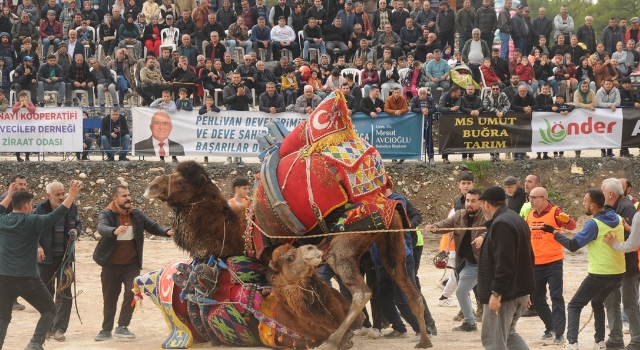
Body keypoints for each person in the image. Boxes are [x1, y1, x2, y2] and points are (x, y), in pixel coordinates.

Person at [0, 179, 83, 350]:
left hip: (3, 278)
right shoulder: (32, 221)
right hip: (27, 278)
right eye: (30, 205)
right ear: (26, 206)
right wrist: (71, 196)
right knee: (49, 309)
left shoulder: (2, 220)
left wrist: (8, 195)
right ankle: (35, 343)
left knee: (3, 317)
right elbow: (55, 216)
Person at [94, 185, 174, 342]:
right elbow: (101, 227)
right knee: (110, 298)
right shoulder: (107, 213)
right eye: (124, 196)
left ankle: (123, 326)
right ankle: (106, 330)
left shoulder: (136, 214)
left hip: (131, 264)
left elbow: (153, 226)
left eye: (129, 195)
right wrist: (113, 231)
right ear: (115, 199)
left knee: (133, 293)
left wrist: (167, 231)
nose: (128, 198)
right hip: (110, 264)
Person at [550, 190, 625, 350]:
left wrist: (554, 233)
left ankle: (572, 343)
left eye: (585, 201)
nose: (583, 203)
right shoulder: (618, 218)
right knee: (597, 302)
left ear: (593, 205)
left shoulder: (594, 224)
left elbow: (573, 245)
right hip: (618, 272)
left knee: (574, 306)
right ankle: (599, 342)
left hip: (600, 273)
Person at [476, 186, 535, 350]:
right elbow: (529, 256)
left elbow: (504, 262)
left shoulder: (501, 223)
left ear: (486, 204)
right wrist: (527, 289)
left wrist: (496, 292)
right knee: (509, 336)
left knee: (494, 341)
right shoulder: (515, 219)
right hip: (518, 290)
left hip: (505, 295)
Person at [427, 188, 486, 332]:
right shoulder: (459, 215)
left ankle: (471, 322)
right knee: (462, 290)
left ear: (481, 202)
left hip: (481, 263)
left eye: (473, 201)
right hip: (463, 261)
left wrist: (483, 236)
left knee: (462, 290)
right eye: (467, 200)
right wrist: (435, 227)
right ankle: (470, 321)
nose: (469, 204)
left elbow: (493, 229)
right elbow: (446, 224)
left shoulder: (486, 216)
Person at [525, 186, 576, 345]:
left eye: (534, 198)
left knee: (556, 296)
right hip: (535, 264)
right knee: (537, 299)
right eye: (530, 198)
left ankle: (559, 333)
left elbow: (571, 226)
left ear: (543, 199)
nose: (531, 201)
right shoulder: (530, 215)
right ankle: (550, 326)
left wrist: (566, 219)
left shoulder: (555, 211)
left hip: (554, 262)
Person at [33, 182, 82, 343]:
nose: (62, 197)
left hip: (65, 258)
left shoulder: (71, 207)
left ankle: (59, 329)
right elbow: (32, 231)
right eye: (58, 195)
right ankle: (46, 328)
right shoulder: (40, 210)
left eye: (63, 193)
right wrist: (38, 246)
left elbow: (78, 223)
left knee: (65, 294)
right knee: (46, 294)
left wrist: (76, 231)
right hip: (45, 260)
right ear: (48, 196)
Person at [599, 178, 640, 350]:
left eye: (602, 190)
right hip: (613, 264)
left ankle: (637, 340)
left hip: (628, 265)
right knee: (611, 301)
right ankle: (615, 338)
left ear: (610, 193)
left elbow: (633, 241)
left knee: (629, 303)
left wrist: (615, 244)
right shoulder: (612, 208)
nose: (600, 193)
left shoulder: (627, 208)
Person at [0, 174, 29, 311]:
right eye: (19, 184)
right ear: (12, 185)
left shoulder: (24, 200)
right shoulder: (4, 200)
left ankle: (12, 299)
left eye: (24, 184)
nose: (23, 187)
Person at [411, 87, 436, 165]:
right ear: (418, 94)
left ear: (426, 94)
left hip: (427, 123)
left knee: (429, 141)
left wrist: (428, 111)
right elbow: (412, 108)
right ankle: (419, 157)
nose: (422, 95)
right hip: (418, 124)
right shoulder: (415, 99)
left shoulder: (430, 99)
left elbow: (434, 108)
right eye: (420, 93)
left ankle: (431, 157)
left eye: (424, 93)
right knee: (419, 141)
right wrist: (421, 110)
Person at [437, 85, 462, 164]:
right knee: (445, 138)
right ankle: (445, 157)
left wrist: (451, 109)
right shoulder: (444, 96)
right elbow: (440, 108)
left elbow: (457, 107)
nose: (460, 94)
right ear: (453, 92)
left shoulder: (459, 97)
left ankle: (464, 156)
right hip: (445, 121)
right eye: (458, 92)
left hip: (456, 121)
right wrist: (450, 109)